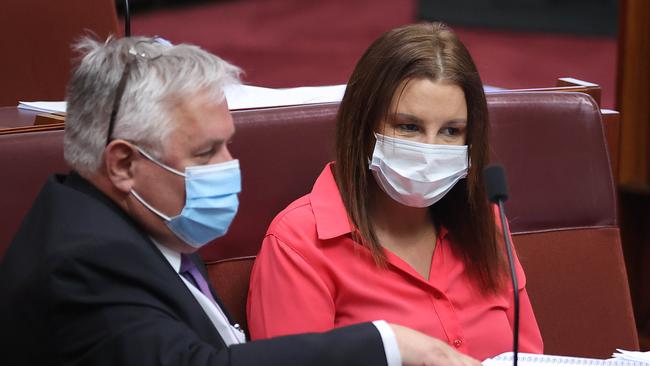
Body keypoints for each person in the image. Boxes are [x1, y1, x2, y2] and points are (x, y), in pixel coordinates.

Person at [0, 36, 482, 366]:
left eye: (226, 144)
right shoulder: (83, 258)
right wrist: (391, 343)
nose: (230, 167)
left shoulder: (133, 230)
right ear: (123, 164)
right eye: (206, 152)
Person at [247, 22, 544, 361]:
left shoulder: (486, 220)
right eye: (409, 127)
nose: (430, 151)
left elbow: (529, 356)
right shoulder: (299, 242)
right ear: (364, 126)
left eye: (451, 131)